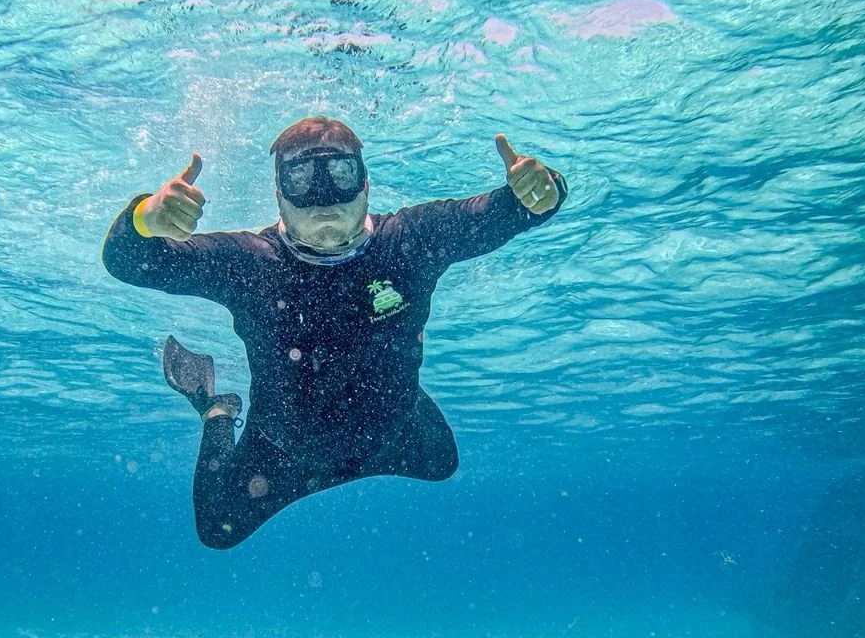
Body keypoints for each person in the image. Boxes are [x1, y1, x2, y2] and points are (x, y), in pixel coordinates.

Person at [101, 116, 568, 549]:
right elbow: (126, 260)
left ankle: (402, 385)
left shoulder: (411, 240)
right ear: (278, 194)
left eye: (340, 176)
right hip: (282, 453)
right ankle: (218, 410)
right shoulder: (249, 263)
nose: (324, 199)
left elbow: (528, 204)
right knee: (217, 531)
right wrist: (145, 217)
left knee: (444, 463)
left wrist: (542, 187)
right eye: (301, 180)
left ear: (365, 184)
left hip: (395, 430)